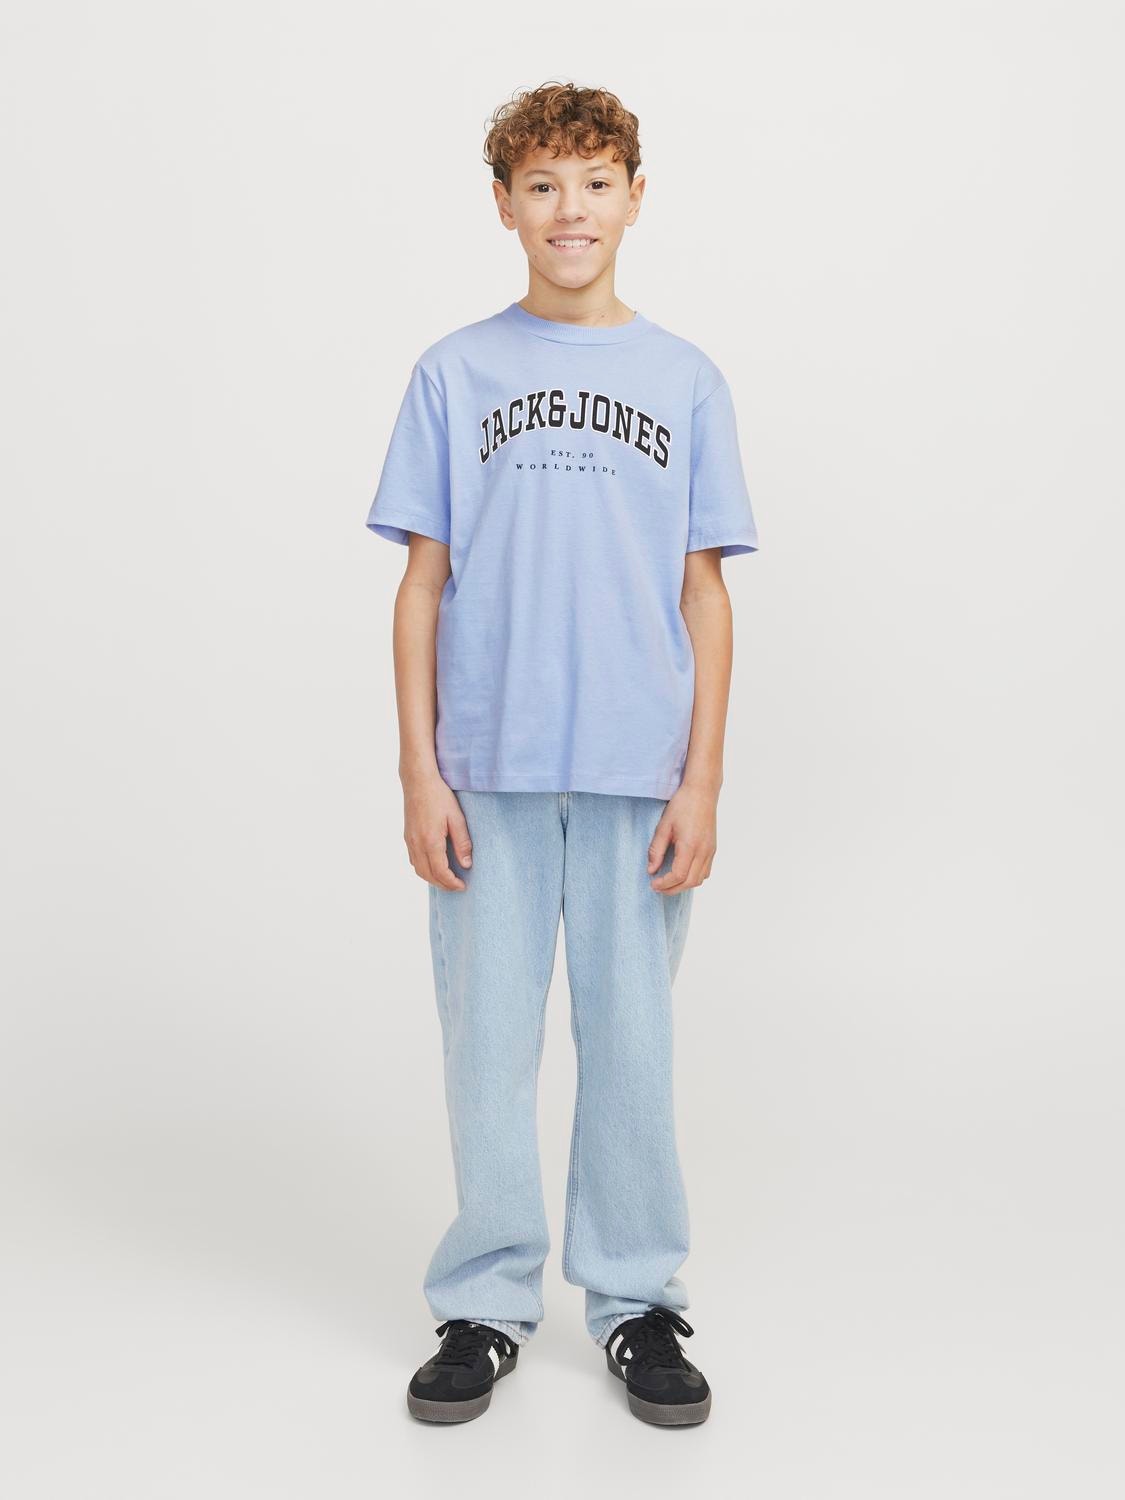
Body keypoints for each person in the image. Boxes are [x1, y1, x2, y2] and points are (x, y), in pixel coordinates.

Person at [365, 81, 759, 1427]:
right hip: (487, 767)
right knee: (487, 1046)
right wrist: (419, 770)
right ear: (503, 206)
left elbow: (705, 592)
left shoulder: (686, 381)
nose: (568, 210)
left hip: (641, 770)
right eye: (542, 186)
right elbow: (422, 583)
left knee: (631, 1043)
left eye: (594, 184)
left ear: (636, 199)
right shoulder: (454, 373)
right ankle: (483, 1301)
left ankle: (637, 1296)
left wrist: (702, 778)